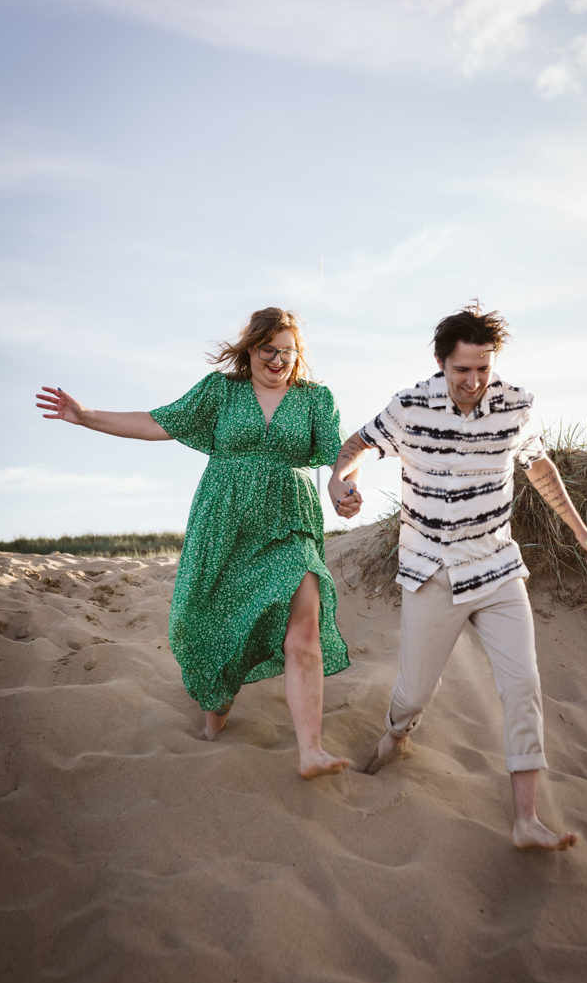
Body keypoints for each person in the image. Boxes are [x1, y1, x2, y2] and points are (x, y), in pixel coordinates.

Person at [329, 301, 587, 848]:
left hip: (498, 567)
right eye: (463, 370)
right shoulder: (409, 406)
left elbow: (537, 464)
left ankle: (525, 820)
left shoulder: (515, 405)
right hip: (431, 569)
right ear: (441, 363)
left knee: (524, 684)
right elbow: (357, 445)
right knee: (413, 696)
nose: (475, 381)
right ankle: (395, 735)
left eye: (484, 368)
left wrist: (581, 531)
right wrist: (340, 480)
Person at [36, 306, 359, 778]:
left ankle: (311, 750)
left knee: (304, 627)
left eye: (287, 352)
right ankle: (215, 718)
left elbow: (339, 454)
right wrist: (86, 417)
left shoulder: (316, 399)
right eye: (268, 350)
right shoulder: (220, 393)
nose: (277, 360)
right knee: (211, 625)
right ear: (250, 349)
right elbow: (157, 422)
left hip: (290, 524)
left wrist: (341, 486)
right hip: (223, 525)